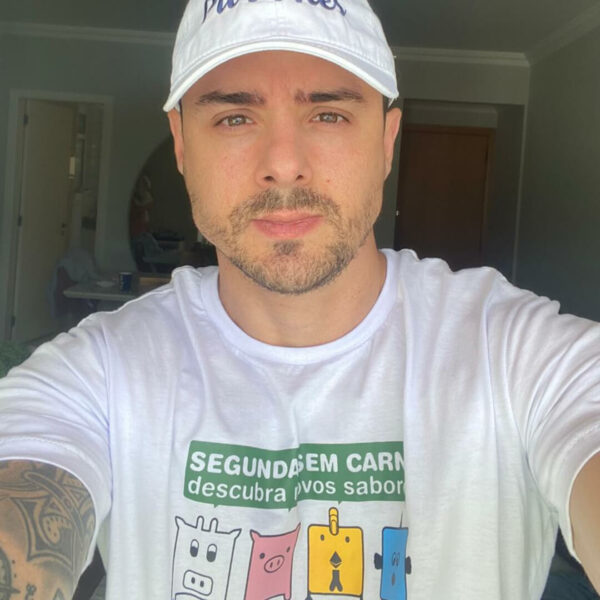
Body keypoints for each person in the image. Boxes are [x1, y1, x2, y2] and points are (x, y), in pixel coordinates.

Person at [1, 0, 600, 598]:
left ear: (387, 141)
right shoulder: (99, 373)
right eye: (235, 117)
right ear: (182, 145)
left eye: (329, 114)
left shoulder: (518, 356)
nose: (284, 166)